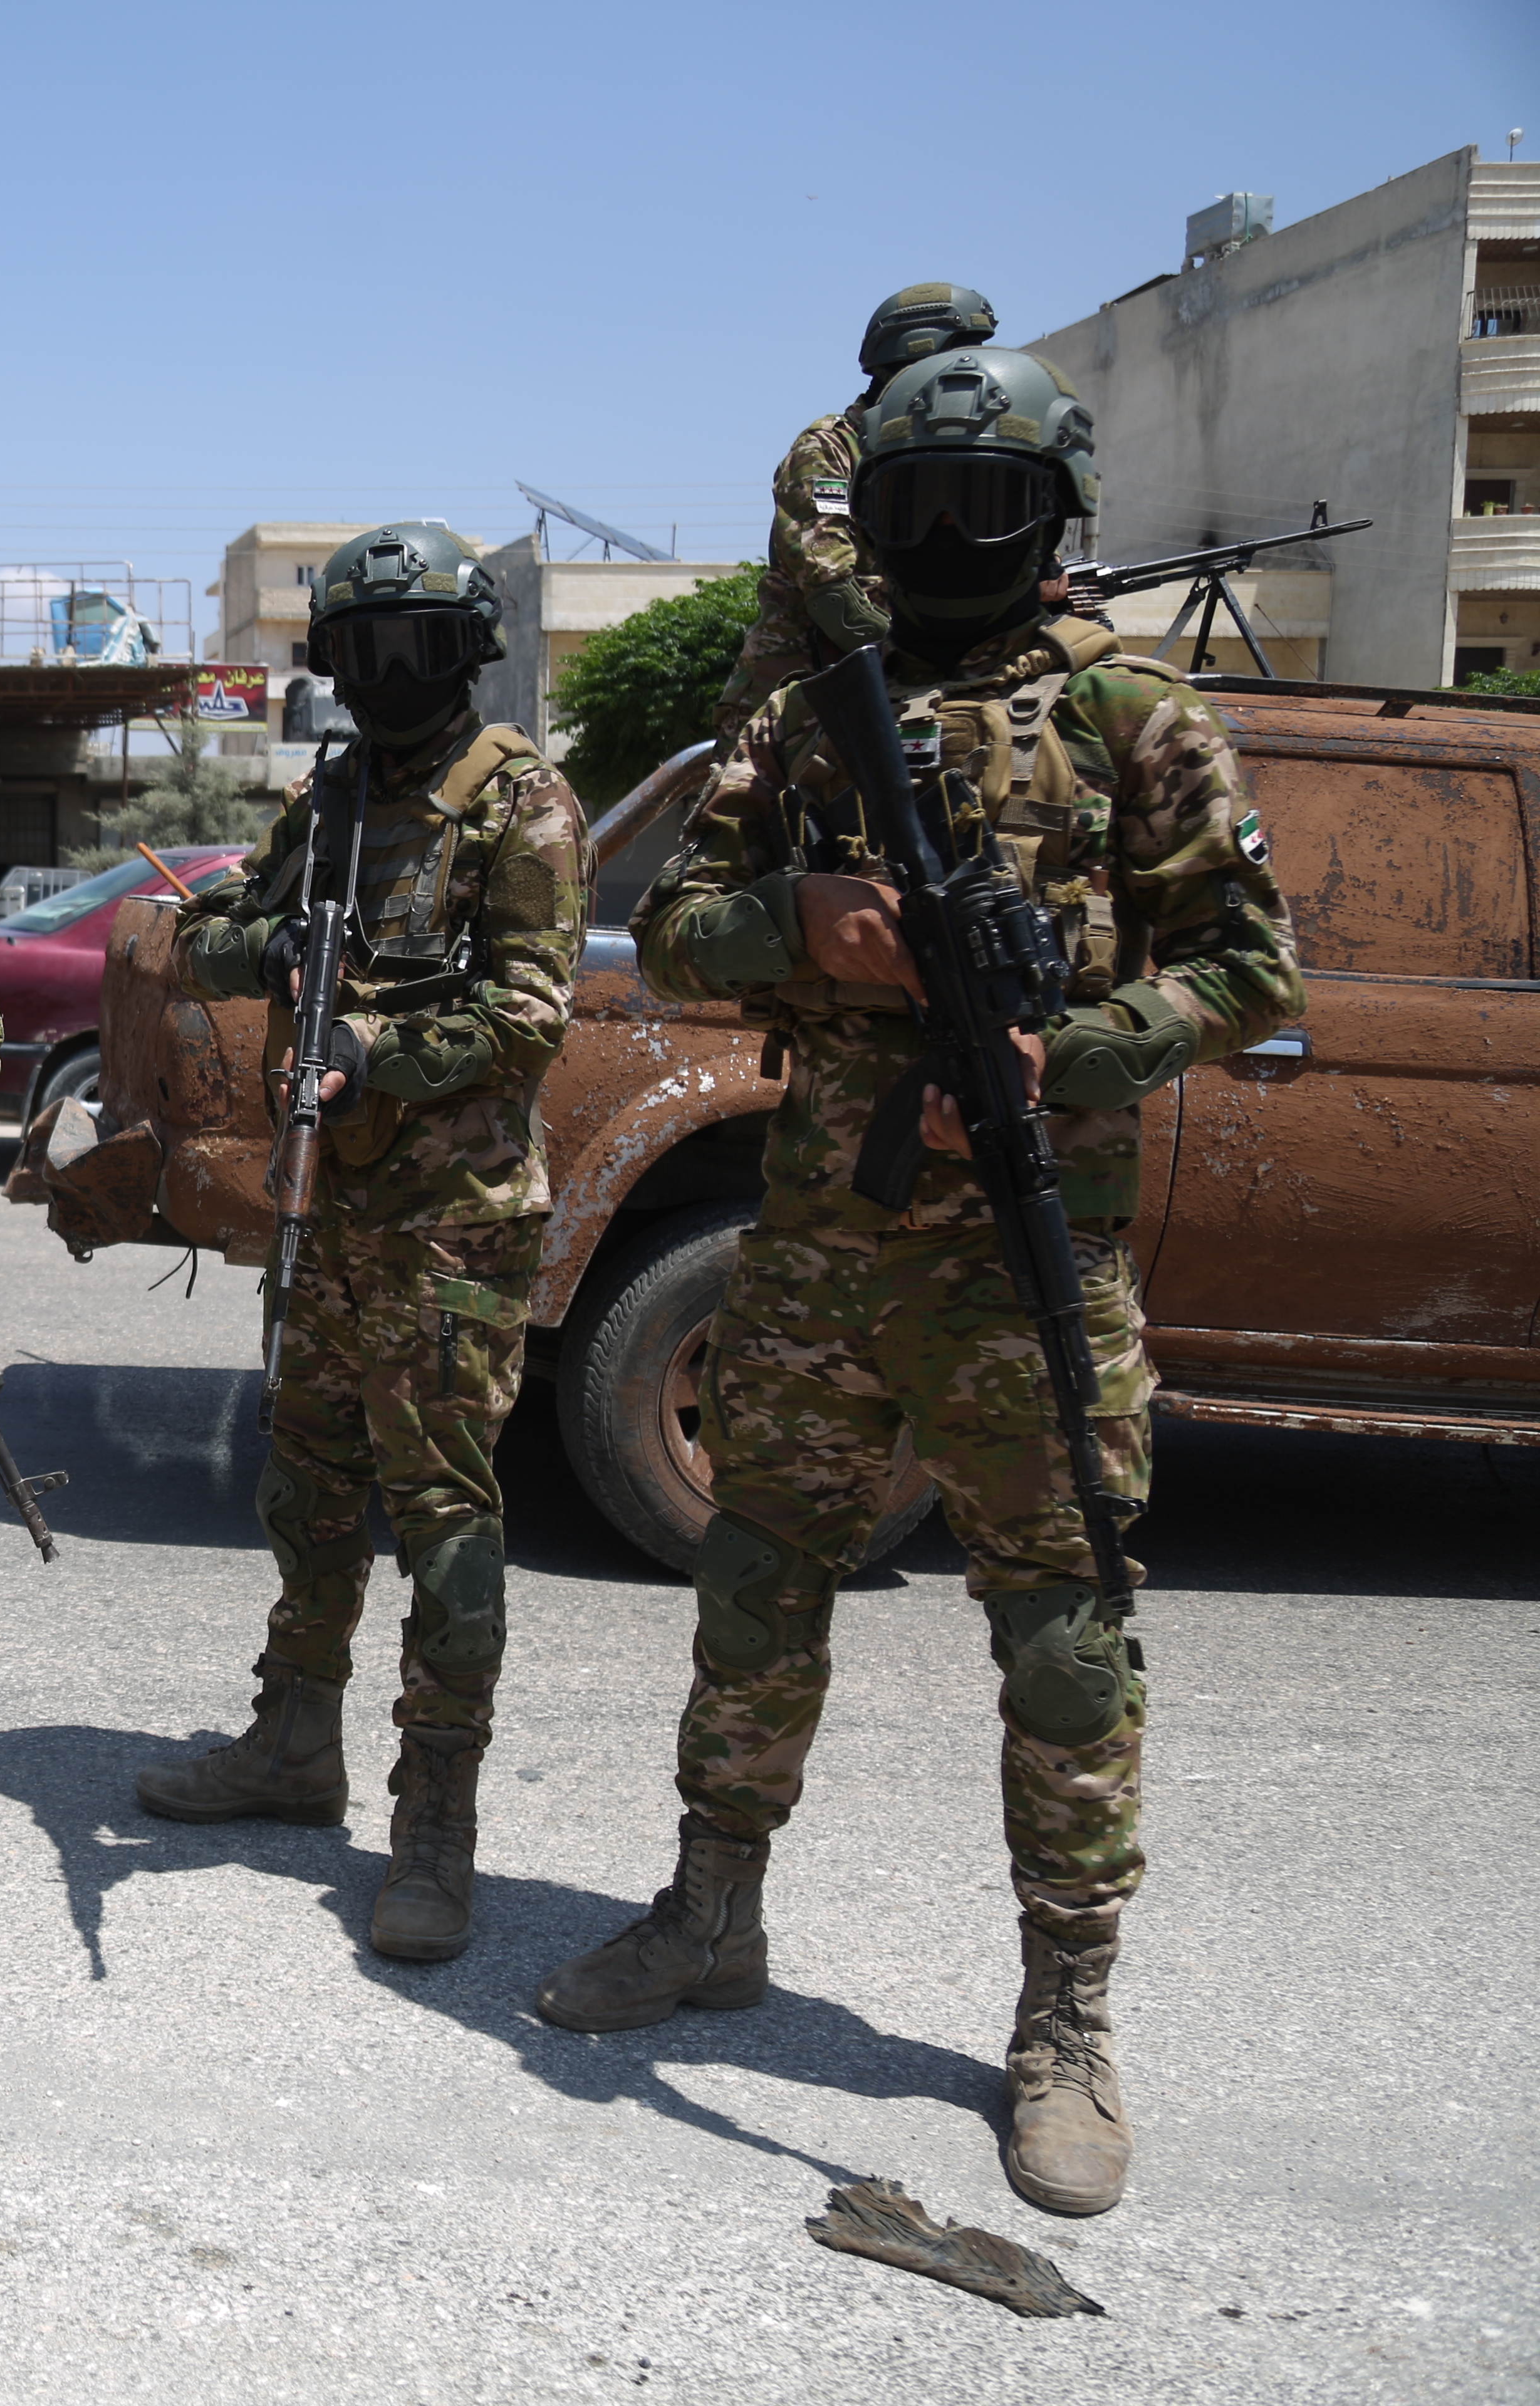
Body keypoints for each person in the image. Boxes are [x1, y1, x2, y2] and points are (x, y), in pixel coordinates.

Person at [542, 346, 1304, 2218]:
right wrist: (805, 923)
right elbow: (675, 929)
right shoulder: (816, 721)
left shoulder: (1139, 717)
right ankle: (712, 1914)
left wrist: (1082, 1051)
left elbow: (1256, 969)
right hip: (813, 1260)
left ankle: (1065, 2022)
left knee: (1065, 1637)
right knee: (755, 1596)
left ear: (1053, 513)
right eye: (917, 504)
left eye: (990, 501)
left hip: (1025, 1266)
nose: (954, 534)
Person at [127, 523, 588, 1962]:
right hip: (327, 1213)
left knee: (444, 1523)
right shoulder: (327, 798)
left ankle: (433, 1828)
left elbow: (530, 1012)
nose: (387, 675)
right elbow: (201, 938)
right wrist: (261, 954)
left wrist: (373, 1051)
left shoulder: (519, 801)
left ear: (462, 653)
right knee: (307, 1493)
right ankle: (290, 1741)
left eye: (413, 646)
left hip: (449, 1229)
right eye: (363, 648)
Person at [712, 284, 1001, 747]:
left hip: (886, 695)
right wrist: (944, 659)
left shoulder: (928, 460)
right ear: (917, 358)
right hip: (792, 704)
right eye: (960, 358)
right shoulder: (830, 450)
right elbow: (837, 603)